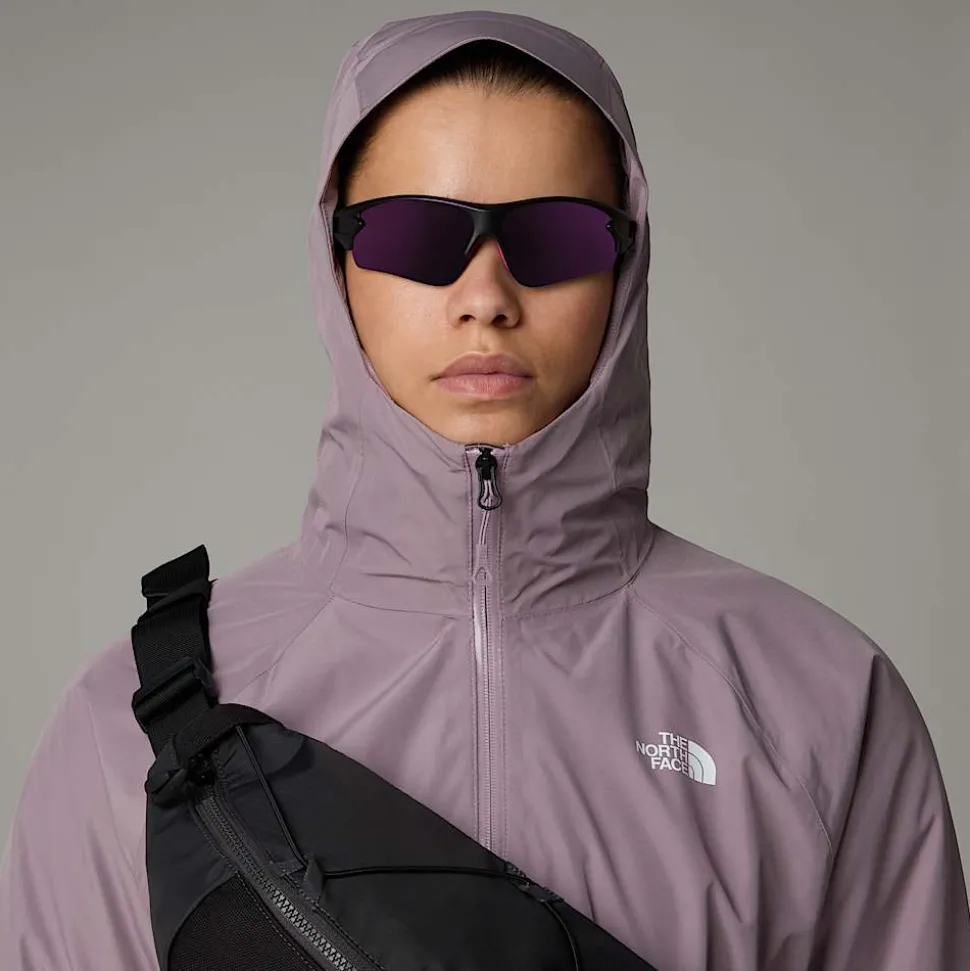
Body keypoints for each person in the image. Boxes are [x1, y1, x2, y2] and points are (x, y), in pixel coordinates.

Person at [1, 10, 968, 971]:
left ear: (624, 267)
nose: (486, 298)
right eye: (417, 236)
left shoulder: (817, 700)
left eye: (556, 238)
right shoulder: (126, 726)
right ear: (337, 263)